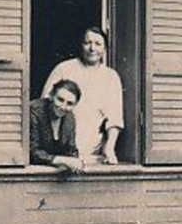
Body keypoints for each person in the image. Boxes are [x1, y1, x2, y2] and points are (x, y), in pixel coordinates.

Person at [43, 27, 125, 164]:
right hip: (61, 151)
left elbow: (115, 118)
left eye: (98, 44)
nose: (92, 48)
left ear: (105, 49)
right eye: (88, 43)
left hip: (92, 153)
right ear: (81, 45)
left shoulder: (111, 77)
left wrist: (109, 148)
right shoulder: (64, 69)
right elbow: (44, 106)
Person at [29, 79, 87, 173]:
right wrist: (63, 160)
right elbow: (32, 152)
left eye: (69, 104)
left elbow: (71, 149)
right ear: (51, 95)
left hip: (56, 176)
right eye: (60, 99)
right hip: (34, 172)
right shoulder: (34, 111)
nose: (63, 107)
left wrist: (75, 162)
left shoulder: (69, 118)